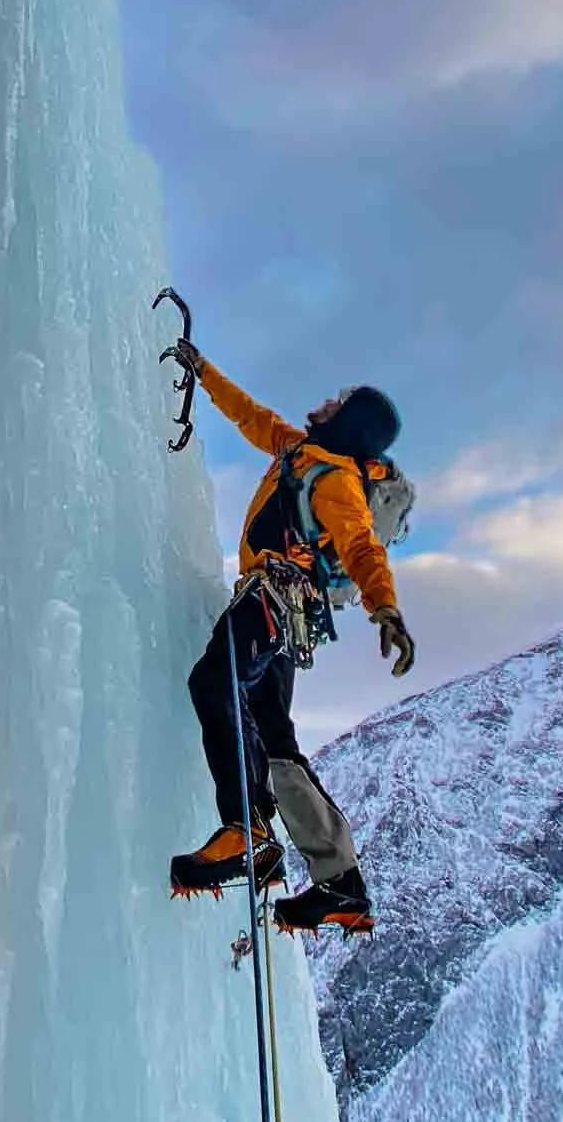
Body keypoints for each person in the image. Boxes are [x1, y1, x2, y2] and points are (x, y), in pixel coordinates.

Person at [167, 338, 415, 934]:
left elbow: (360, 545)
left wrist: (386, 609)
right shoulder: (300, 454)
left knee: (214, 681)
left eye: (338, 402)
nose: (325, 403)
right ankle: (341, 882)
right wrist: (203, 372)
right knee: (275, 739)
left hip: (272, 601)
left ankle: (246, 829)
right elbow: (251, 417)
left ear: (350, 422)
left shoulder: (334, 481)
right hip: (287, 618)